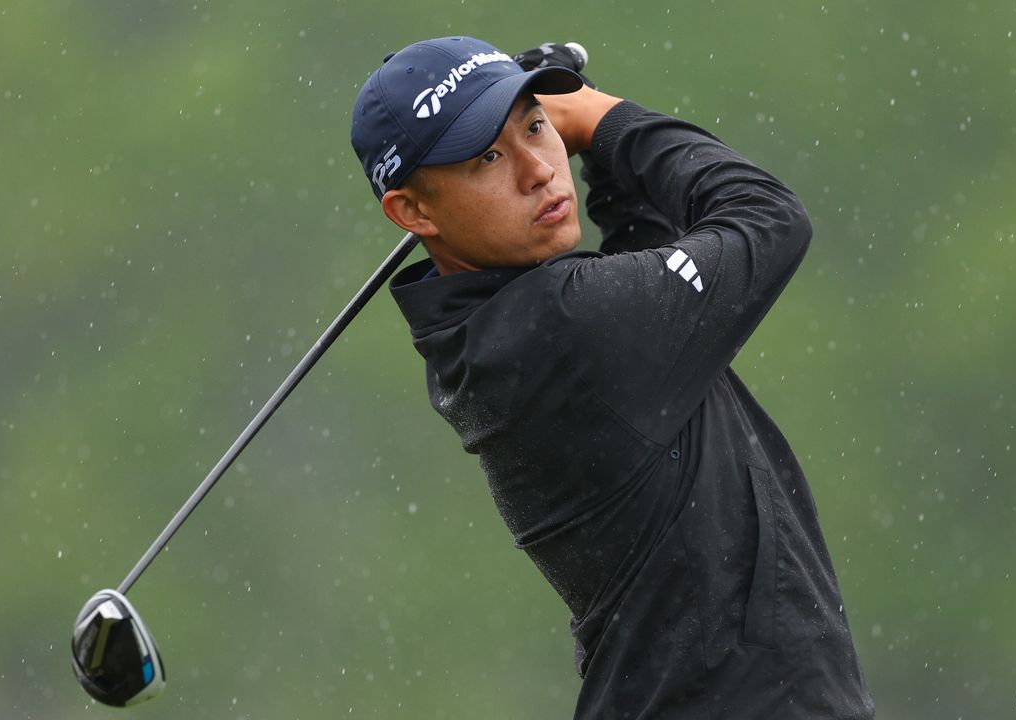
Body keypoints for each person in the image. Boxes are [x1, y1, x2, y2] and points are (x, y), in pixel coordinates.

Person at [350, 36, 875, 719]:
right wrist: (596, 116)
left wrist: (586, 137)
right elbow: (768, 218)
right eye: (488, 158)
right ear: (413, 212)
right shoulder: (562, 326)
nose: (539, 170)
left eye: (534, 128)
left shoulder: (499, 330)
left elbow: (652, 239)